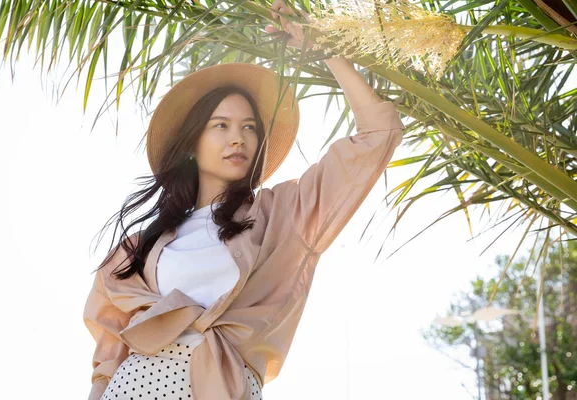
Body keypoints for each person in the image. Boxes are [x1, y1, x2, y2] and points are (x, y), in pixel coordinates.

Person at [83, 1, 405, 399]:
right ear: (191, 144)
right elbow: (107, 361)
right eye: (221, 126)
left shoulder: (283, 216)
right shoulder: (135, 251)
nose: (238, 138)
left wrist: (324, 50)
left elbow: (378, 133)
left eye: (249, 128)